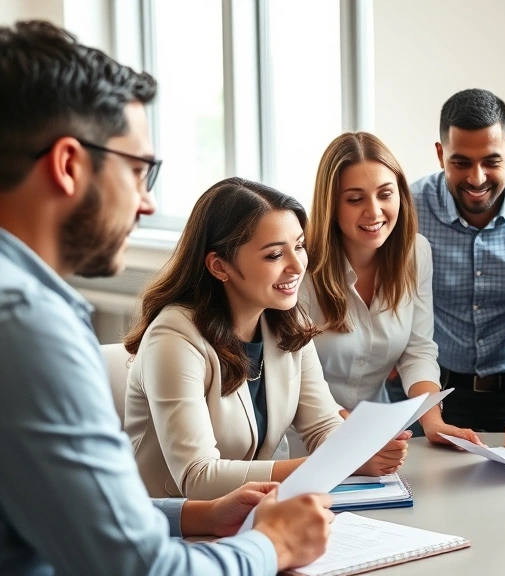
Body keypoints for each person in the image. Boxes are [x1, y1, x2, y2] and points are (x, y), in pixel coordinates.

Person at [0, 20, 331, 574]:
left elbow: (90, 521)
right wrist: (272, 546)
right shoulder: (27, 323)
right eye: (138, 171)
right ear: (68, 165)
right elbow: (140, 568)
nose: (148, 204)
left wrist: (191, 517)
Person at [124, 177, 410, 500]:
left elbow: (322, 426)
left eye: (299, 246)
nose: (297, 266)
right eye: (274, 255)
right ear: (220, 266)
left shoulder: (286, 320)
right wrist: (332, 464)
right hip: (172, 529)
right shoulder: (173, 338)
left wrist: (360, 450)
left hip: (252, 515)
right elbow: (198, 477)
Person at [300, 131, 480, 446]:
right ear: (331, 204)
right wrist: (355, 432)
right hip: (306, 439)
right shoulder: (301, 264)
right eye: (355, 199)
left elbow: (418, 351)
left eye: (385, 194)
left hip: (378, 437)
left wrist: (433, 421)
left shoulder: (416, 253)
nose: (374, 211)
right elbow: (294, 380)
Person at [410, 88, 505, 432]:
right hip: (434, 393)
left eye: (491, 162)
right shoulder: (409, 208)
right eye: (461, 162)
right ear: (440, 154)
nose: (476, 178)